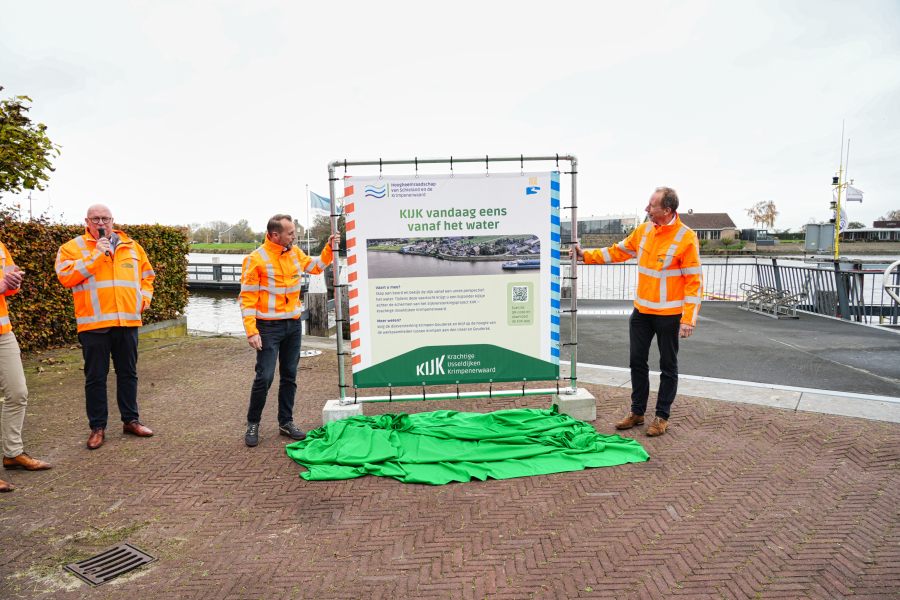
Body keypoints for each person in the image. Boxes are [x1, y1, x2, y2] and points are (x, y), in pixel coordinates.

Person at [571, 187, 702, 436]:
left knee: (668, 366)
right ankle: (638, 412)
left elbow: (694, 282)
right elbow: (618, 251)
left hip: (669, 315)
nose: (646, 209)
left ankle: (662, 416)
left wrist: (689, 320)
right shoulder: (643, 231)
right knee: (636, 363)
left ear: (667, 210)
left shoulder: (686, 237)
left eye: (651, 206)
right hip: (642, 312)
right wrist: (586, 256)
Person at [56, 204, 156, 450]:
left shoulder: (132, 246)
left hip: (127, 321)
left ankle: (130, 420)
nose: (101, 223)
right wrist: (94, 257)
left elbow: (148, 276)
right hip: (94, 324)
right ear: (87, 222)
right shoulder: (72, 248)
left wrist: (142, 300)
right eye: (96, 219)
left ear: (113, 220)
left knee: (128, 374)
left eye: (105, 219)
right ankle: (97, 427)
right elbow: (65, 277)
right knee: (96, 378)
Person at [240, 214, 335, 447]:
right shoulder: (256, 259)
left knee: (290, 376)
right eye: (291, 233)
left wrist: (329, 248)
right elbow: (247, 297)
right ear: (275, 235)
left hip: (293, 326)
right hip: (267, 328)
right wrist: (251, 331)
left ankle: (286, 422)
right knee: (265, 377)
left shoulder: (294, 253)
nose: (295, 236)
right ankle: (253, 422)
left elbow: (315, 267)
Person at [0, 240, 52, 492]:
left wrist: (13, 283)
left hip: (3, 332)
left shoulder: (0, 246)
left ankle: (12, 453)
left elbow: (8, 286)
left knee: (18, 392)